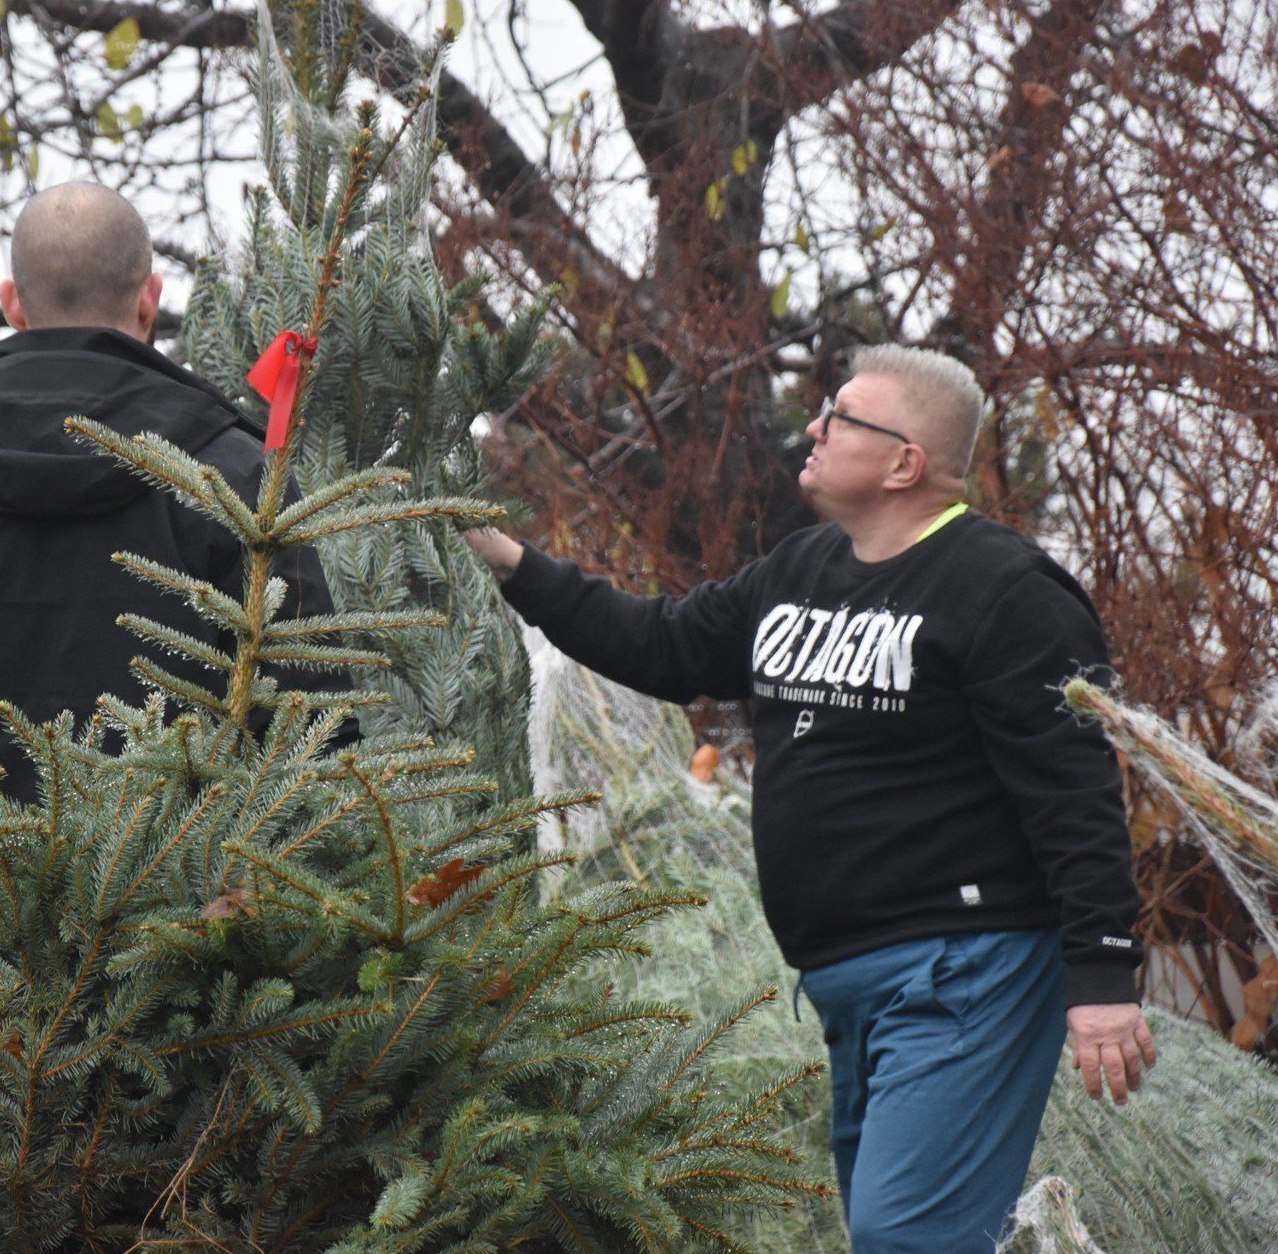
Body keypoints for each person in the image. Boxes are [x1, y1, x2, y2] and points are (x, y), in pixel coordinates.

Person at [464, 345, 1155, 1253]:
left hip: (963, 968)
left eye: (843, 418)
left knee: (906, 1235)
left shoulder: (1006, 591)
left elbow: (1075, 789)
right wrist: (502, 553)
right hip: (843, 978)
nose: (815, 429)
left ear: (905, 462)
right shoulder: (800, 569)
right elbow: (664, 645)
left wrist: (1104, 973)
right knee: (894, 1234)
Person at [0, 181, 350, 931]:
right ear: (149, 299)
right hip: (191, 971)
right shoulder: (232, 482)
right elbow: (311, 714)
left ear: (12, 304)